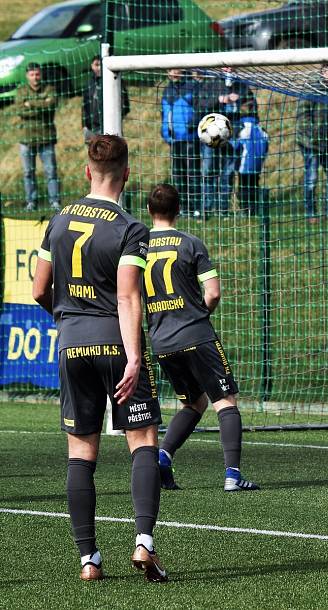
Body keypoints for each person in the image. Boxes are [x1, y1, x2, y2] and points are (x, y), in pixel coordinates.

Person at [31, 135, 166, 582]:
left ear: (87, 171)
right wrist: (132, 357)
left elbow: (37, 289)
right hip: (115, 343)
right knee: (143, 439)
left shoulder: (58, 220)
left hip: (71, 345)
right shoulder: (130, 228)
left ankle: (89, 558)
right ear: (126, 175)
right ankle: (144, 544)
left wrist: (69, 321)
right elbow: (128, 299)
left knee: (81, 451)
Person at [144, 184, 259, 493]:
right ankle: (233, 475)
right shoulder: (190, 243)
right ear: (178, 209)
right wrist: (199, 315)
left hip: (161, 341)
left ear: (149, 211)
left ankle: (163, 457)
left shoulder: (137, 248)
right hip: (195, 333)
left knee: (193, 402)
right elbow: (214, 292)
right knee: (225, 400)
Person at [195, 68, 258, 215]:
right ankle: (206, 209)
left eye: (231, 68)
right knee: (208, 171)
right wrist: (219, 100)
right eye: (225, 67)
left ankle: (223, 209)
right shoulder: (211, 83)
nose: (228, 70)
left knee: (228, 173)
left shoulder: (242, 86)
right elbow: (199, 105)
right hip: (211, 137)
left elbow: (252, 108)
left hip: (233, 136)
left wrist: (241, 102)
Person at [296, 63, 328, 222]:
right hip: (310, 142)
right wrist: (314, 136)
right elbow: (303, 117)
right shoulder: (311, 88)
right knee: (312, 177)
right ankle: (310, 212)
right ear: (323, 71)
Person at [16, 62, 60, 211]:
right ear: (27, 76)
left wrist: (30, 104)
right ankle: (31, 201)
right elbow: (20, 111)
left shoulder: (50, 88)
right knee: (28, 172)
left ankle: (54, 201)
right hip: (26, 139)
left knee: (51, 172)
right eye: (32, 75)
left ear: (41, 74)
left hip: (46, 138)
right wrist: (41, 104)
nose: (35, 77)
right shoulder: (21, 90)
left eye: (37, 74)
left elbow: (51, 106)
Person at [161, 69, 199, 206]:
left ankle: (196, 207)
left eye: (177, 70)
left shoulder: (192, 86)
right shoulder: (166, 90)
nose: (174, 73)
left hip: (189, 138)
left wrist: (191, 126)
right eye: (171, 70)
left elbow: (199, 110)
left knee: (192, 174)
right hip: (174, 139)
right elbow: (164, 115)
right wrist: (165, 133)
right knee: (178, 176)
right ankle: (181, 207)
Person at [82, 55, 130, 143]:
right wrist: (84, 125)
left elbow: (125, 105)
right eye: (96, 65)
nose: (99, 68)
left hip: (110, 128)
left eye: (101, 65)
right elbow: (84, 107)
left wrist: (115, 120)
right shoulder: (89, 84)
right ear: (91, 66)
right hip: (92, 129)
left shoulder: (116, 81)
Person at [234, 115, 269, 216]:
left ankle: (245, 210)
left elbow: (237, 146)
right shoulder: (261, 128)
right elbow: (266, 146)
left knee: (244, 187)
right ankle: (254, 210)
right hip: (257, 165)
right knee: (254, 186)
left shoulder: (243, 128)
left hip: (245, 165)